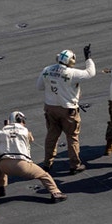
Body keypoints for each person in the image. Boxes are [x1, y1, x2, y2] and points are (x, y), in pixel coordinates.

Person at [36, 45, 96, 175]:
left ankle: (47, 163)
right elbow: (90, 73)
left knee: (51, 136)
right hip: (68, 110)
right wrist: (88, 58)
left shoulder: (47, 70)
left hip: (50, 108)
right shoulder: (72, 73)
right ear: (71, 61)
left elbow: (39, 87)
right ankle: (75, 164)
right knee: (72, 136)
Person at [0, 111, 67, 203]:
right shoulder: (25, 131)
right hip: (22, 165)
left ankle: (0, 187)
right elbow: (31, 139)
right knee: (44, 175)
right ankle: (56, 193)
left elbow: (8, 136)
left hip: (4, 165)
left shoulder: (2, 131)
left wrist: (7, 127)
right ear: (21, 120)